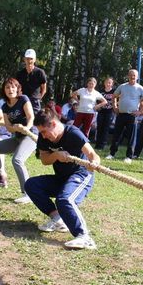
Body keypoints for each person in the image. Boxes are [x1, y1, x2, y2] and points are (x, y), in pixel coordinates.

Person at [25, 107, 101, 250]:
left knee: (65, 199)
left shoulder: (73, 133)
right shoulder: (43, 137)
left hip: (80, 175)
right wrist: (56, 155)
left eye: (44, 131)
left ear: (53, 124)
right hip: (61, 178)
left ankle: (85, 237)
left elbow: (93, 155)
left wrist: (94, 163)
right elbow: (45, 160)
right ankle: (58, 218)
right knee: (31, 185)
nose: (43, 136)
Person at [0, 77, 36, 203]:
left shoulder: (23, 99)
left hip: (30, 136)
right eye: (7, 87)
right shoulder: (4, 107)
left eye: (13, 86)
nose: (10, 89)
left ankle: (28, 193)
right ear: (4, 90)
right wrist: (14, 128)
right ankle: (0, 180)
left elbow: (31, 117)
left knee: (17, 160)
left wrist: (26, 128)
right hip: (18, 137)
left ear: (17, 88)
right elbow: (8, 126)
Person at [107, 69, 143, 163]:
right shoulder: (122, 86)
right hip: (121, 114)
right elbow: (114, 96)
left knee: (131, 137)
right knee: (116, 135)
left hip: (132, 116)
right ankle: (111, 154)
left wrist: (140, 112)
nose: (132, 77)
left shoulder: (140, 88)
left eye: (134, 75)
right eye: (130, 75)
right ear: (128, 76)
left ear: (137, 77)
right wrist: (114, 106)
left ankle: (129, 157)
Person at [15, 48, 47, 113]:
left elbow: (44, 88)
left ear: (35, 60)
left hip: (35, 101)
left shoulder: (40, 72)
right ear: (24, 59)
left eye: (31, 58)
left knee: (35, 121)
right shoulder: (20, 73)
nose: (29, 61)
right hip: (22, 99)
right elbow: (17, 87)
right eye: (27, 58)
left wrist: (39, 98)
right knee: (22, 119)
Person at [95, 77, 116, 149]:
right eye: (107, 82)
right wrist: (98, 107)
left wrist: (115, 107)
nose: (108, 84)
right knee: (99, 128)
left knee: (105, 128)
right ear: (104, 83)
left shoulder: (114, 92)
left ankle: (102, 145)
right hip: (101, 112)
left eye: (110, 82)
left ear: (112, 84)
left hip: (109, 112)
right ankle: (97, 144)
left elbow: (118, 100)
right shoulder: (101, 91)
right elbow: (96, 100)